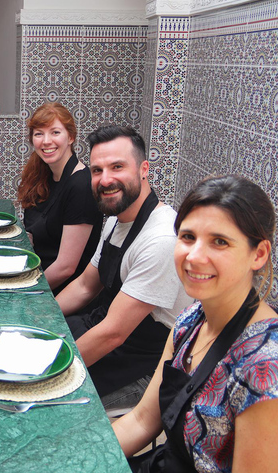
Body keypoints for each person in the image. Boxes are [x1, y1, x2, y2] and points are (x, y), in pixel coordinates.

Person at [113, 175, 278, 472]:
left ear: (259, 254)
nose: (194, 256)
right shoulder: (190, 320)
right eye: (188, 237)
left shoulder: (265, 368)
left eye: (219, 241)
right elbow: (140, 422)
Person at [56, 125, 192, 407]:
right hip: (104, 331)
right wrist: (41, 319)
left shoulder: (161, 238)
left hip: (144, 368)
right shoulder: (117, 217)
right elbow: (84, 287)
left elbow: (113, 333)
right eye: (97, 170)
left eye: (117, 167)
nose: (106, 180)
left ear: (143, 169)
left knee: (44, 409)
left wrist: (49, 373)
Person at [17, 102, 103, 293]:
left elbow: (66, 267)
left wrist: (24, 292)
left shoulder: (81, 185)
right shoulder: (43, 174)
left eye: (55, 132)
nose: (46, 141)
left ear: (71, 137)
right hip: (37, 274)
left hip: (62, 291)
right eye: (39, 134)